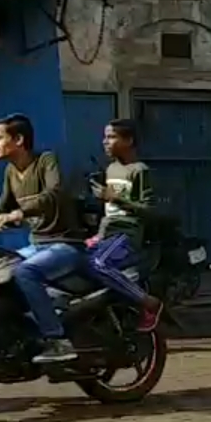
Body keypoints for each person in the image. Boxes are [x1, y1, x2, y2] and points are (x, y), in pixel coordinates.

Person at [0, 114, 85, 364]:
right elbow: (1, 207)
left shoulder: (45, 161)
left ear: (18, 139)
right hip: (37, 245)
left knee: (25, 272)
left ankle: (57, 340)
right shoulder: (11, 171)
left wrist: (21, 212)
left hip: (65, 244)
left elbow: (55, 193)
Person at [91, 119, 164, 332]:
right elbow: (109, 212)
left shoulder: (139, 170)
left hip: (127, 233)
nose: (105, 142)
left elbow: (149, 210)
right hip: (108, 233)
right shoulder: (111, 169)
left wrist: (115, 198)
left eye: (112, 137)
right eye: (105, 137)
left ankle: (147, 302)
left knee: (99, 264)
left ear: (128, 141)